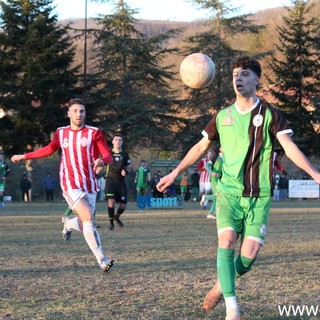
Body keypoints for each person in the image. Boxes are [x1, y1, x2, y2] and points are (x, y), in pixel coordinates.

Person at [157, 56, 320, 320]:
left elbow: (290, 148)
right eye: (234, 75)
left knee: (248, 257)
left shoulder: (271, 116)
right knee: (227, 241)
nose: (238, 79)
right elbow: (200, 147)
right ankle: (232, 309)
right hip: (229, 194)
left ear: (256, 79)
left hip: (259, 197)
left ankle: (221, 285)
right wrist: (175, 172)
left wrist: (314, 173)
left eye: (244, 74)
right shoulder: (223, 116)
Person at [11, 98, 114, 272]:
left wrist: (102, 161)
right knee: (88, 217)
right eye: (75, 111)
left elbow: (107, 155)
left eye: (81, 111)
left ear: (85, 113)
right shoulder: (61, 133)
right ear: (68, 114)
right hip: (70, 183)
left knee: (85, 224)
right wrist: (25, 156)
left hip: (89, 184)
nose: (78, 114)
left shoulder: (94, 133)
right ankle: (102, 260)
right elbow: (48, 149)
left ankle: (68, 225)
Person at [105, 133, 131, 231]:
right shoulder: (108, 154)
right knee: (111, 202)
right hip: (110, 181)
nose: (118, 142)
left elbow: (129, 167)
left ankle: (117, 217)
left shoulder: (125, 154)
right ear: (112, 142)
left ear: (122, 142)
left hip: (121, 182)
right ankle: (111, 224)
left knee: (123, 205)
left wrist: (126, 171)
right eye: (116, 140)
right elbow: (101, 164)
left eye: (120, 140)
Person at [200, 148, 223, 219]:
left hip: (219, 180)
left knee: (216, 199)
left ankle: (210, 214)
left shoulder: (224, 158)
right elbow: (207, 165)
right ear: (220, 149)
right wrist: (211, 172)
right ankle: (205, 197)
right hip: (214, 180)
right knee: (218, 196)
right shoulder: (215, 158)